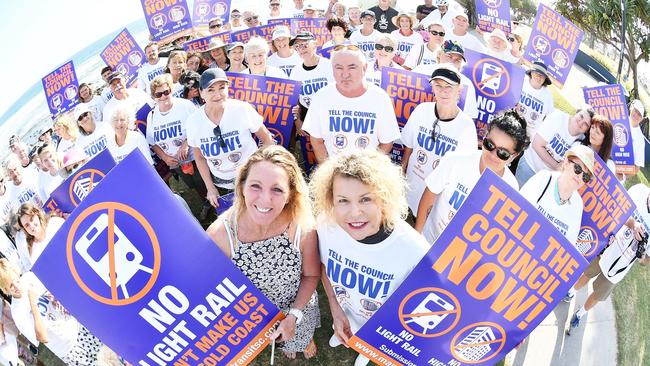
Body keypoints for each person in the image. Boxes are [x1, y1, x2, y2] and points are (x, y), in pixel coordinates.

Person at [310, 149, 429, 366]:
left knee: (369, 346)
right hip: (346, 312)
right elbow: (325, 267)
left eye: (365, 199)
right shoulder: (327, 226)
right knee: (346, 328)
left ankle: (366, 351)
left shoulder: (415, 250)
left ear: (384, 199)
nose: (354, 212)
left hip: (383, 329)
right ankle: (344, 331)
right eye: (343, 200)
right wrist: (336, 311)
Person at [207, 145, 320, 360]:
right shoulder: (220, 235)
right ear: (241, 187)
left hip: (298, 306)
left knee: (300, 334)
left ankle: (304, 339)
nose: (265, 200)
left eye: (277, 189)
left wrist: (294, 316)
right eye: (255, 186)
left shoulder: (302, 226)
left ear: (290, 195)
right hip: (252, 319)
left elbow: (311, 275)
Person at [415, 110, 526, 244]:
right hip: (430, 241)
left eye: (503, 153)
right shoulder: (455, 160)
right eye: (489, 144)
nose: (492, 155)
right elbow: (430, 194)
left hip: (460, 259)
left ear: (514, 156)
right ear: (484, 137)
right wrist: (417, 237)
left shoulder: (511, 187)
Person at [565, 183, 650, 334]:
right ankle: (571, 291)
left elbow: (646, 261)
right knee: (585, 274)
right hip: (608, 245)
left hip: (620, 267)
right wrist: (633, 224)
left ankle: (580, 314)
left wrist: (642, 256)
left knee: (599, 294)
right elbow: (618, 209)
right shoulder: (639, 190)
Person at [186, 68, 274, 207]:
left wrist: (263, 168)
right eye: (210, 90)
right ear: (201, 93)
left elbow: (267, 139)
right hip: (222, 183)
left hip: (252, 176)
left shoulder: (242, 109)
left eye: (222, 88)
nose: (218, 94)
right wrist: (210, 188)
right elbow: (200, 157)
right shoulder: (193, 122)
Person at [401, 65, 478, 216]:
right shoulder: (421, 110)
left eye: (449, 86)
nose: (443, 91)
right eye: (438, 85)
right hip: (409, 191)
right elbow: (409, 146)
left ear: (459, 90)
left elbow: (463, 171)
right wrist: (402, 171)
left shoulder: (467, 127)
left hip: (435, 203)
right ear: (433, 88)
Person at [302, 45, 400, 163]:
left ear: (364, 68)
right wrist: (328, 171)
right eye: (339, 68)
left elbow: (386, 142)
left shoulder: (380, 98)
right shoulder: (321, 97)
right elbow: (317, 141)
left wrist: (369, 169)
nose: (345, 74)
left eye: (352, 67)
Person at [0, 258, 103, 365]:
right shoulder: (17, 312)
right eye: (11, 286)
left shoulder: (29, 278)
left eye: (15, 280)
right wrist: (33, 304)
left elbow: (58, 289)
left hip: (78, 326)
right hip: (68, 349)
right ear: (5, 290)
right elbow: (42, 338)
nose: (16, 286)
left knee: (113, 355)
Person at [147, 74, 208, 212]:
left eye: (166, 92)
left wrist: (186, 144)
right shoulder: (151, 116)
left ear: (171, 91)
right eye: (158, 94)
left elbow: (200, 126)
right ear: (153, 97)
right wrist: (165, 158)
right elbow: (153, 143)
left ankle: (213, 204)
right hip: (176, 163)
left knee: (203, 181)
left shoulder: (185, 105)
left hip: (195, 155)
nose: (163, 97)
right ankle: (206, 202)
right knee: (192, 185)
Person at [519, 145, 594, 248]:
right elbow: (518, 211)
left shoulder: (577, 204)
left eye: (586, 176)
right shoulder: (544, 178)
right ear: (566, 162)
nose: (580, 176)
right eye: (577, 168)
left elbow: (569, 244)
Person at [515, 108, 594, 186]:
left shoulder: (581, 142)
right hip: (530, 166)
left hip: (546, 180)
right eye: (581, 116)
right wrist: (556, 166)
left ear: (587, 130)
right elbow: (537, 145)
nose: (581, 122)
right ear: (577, 112)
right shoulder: (558, 118)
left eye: (586, 124)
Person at [289, 32, 334, 127]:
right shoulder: (295, 71)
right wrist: (298, 122)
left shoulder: (329, 66)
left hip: (330, 116)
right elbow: (295, 100)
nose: (301, 49)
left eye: (304, 45)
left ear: (315, 44)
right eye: (296, 46)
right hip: (308, 117)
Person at [515, 61, 555, 139]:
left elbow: (550, 117)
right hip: (513, 123)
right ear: (531, 73)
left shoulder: (548, 96)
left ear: (545, 79)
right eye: (537, 73)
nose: (539, 77)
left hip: (528, 135)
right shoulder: (521, 83)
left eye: (542, 76)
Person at [629, 99, 646, 174]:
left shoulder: (640, 140)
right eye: (635, 110)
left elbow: (637, 168)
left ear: (642, 119)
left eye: (639, 114)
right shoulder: (619, 120)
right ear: (631, 107)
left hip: (618, 174)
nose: (636, 115)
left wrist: (623, 176)